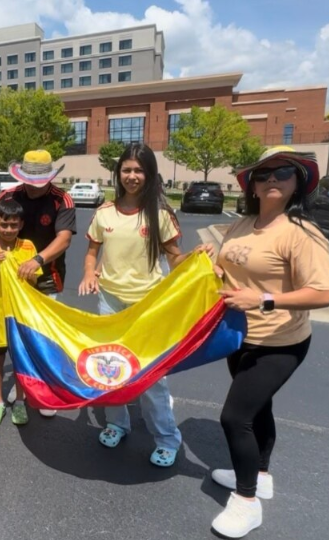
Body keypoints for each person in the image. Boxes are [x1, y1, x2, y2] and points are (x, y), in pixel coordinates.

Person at [209, 146, 329, 539]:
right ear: (254, 186)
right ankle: (259, 475)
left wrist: (262, 299)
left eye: (283, 173)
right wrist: (211, 263)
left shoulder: (301, 233)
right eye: (264, 175)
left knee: (234, 417)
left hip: (281, 342)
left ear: (298, 182)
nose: (273, 180)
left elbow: (322, 293)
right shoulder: (243, 223)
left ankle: (247, 503)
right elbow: (231, 267)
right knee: (258, 409)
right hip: (240, 336)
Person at [78, 144, 213, 468]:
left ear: (150, 174)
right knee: (109, 369)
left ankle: (167, 439)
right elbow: (92, 252)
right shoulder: (104, 213)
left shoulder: (160, 215)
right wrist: (88, 273)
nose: (132, 176)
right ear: (118, 173)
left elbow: (175, 257)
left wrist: (195, 256)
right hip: (110, 301)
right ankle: (117, 423)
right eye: (127, 170)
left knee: (151, 377)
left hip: (149, 304)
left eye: (139, 170)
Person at [0, 150, 76, 418]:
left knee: (43, 338)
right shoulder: (8, 197)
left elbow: (64, 238)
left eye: (41, 179)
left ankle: (44, 390)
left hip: (45, 277)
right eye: (31, 178)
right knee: (15, 339)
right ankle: (23, 386)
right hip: (9, 279)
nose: (35, 184)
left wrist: (38, 259)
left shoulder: (60, 199)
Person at [0, 200, 42, 427]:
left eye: (14, 225)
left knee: (20, 362)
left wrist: (29, 272)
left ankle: (21, 402)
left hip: (21, 316)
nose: (9, 230)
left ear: (21, 224)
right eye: (4, 225)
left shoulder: (28, 247)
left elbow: (35, 281)